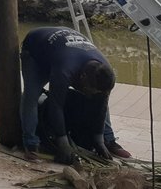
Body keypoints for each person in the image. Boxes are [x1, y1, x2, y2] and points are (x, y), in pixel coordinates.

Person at [20, 27, 132, 164]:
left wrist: (98, 141)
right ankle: (31, 143)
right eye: (90, 89)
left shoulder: (105, 72)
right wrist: (63, 144)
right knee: (31, 95)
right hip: (36, 50)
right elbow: (56, 106)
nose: (90, 94)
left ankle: (108, 140)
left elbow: (101, 105)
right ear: (82, 77)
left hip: (63, 49)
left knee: (101, 100)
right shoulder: (65, 70)